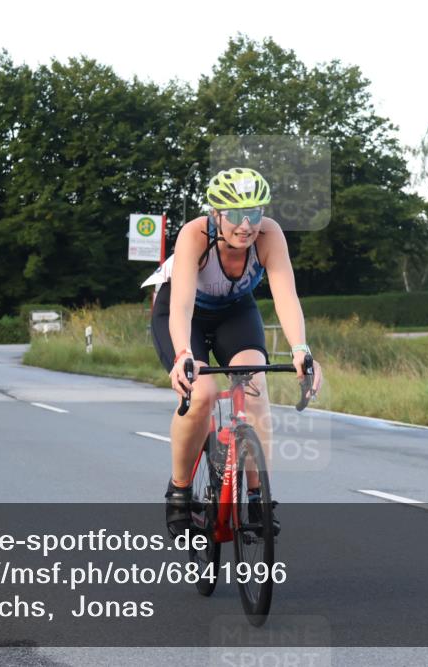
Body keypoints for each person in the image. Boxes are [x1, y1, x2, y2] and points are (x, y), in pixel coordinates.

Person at [146, 167, 323, 537]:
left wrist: (301, 350)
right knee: (203, 394)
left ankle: (258, 499)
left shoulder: (269, 235)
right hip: (184, 313)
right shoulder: (195, 235)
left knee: (255, 387)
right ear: (216, 215)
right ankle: (179, 492)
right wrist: (183, 356)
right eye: (237, 215)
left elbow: (286, 297)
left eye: (255, 214)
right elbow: (180, 308)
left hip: (234, 310)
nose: (247, 226)